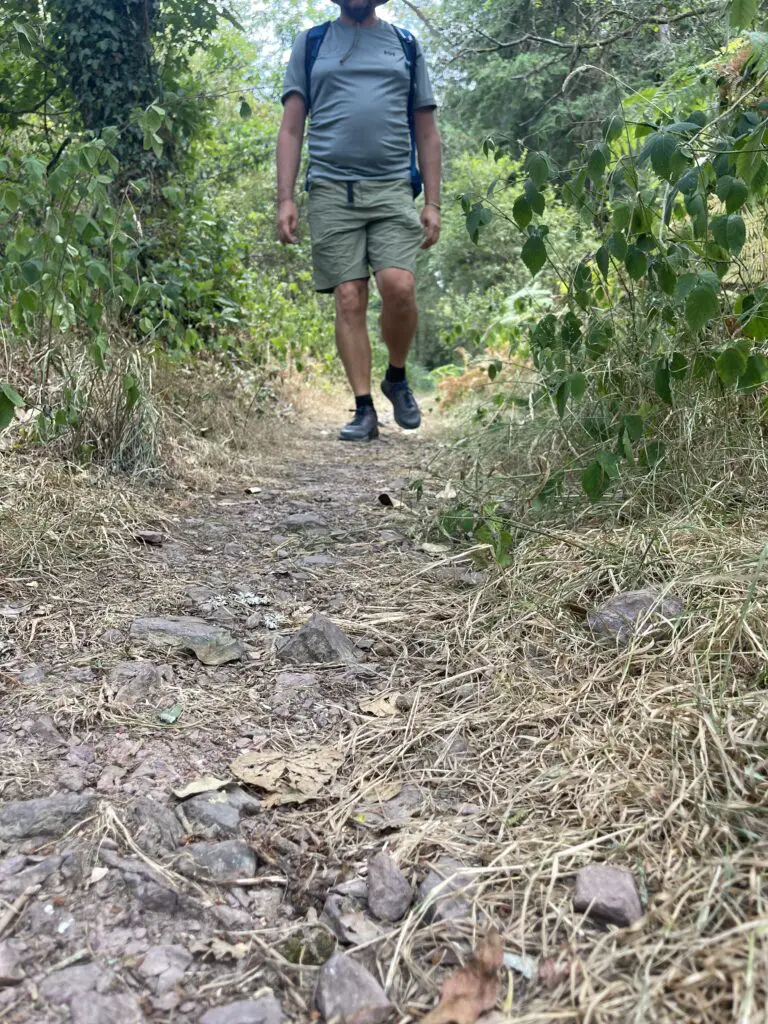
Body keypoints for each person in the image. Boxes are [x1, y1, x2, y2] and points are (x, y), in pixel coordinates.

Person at [276, 0, 441, 441]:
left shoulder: (404, 44)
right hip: (331, 188)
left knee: (399, 287)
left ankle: (397, 376)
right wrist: (285, 198)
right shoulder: (312, 44)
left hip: (391, 187)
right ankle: (364, 408)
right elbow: (291, 128)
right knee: (349, 297)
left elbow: (426, 129)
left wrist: (433, 202)